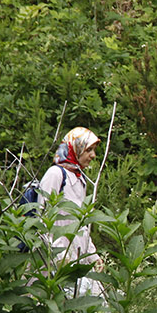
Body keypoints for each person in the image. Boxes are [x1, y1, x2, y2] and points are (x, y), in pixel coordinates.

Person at [38, 126, 106, 302]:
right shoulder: (55, 174)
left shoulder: (79, 178)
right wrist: (58, 256)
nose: (93, 155)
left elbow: (83, 224)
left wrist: (92, 255)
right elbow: (42, 217)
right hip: (60, 259)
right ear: (74, 148)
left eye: (94, 150)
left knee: (96, 309)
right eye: (88, 149)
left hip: (80, 258)